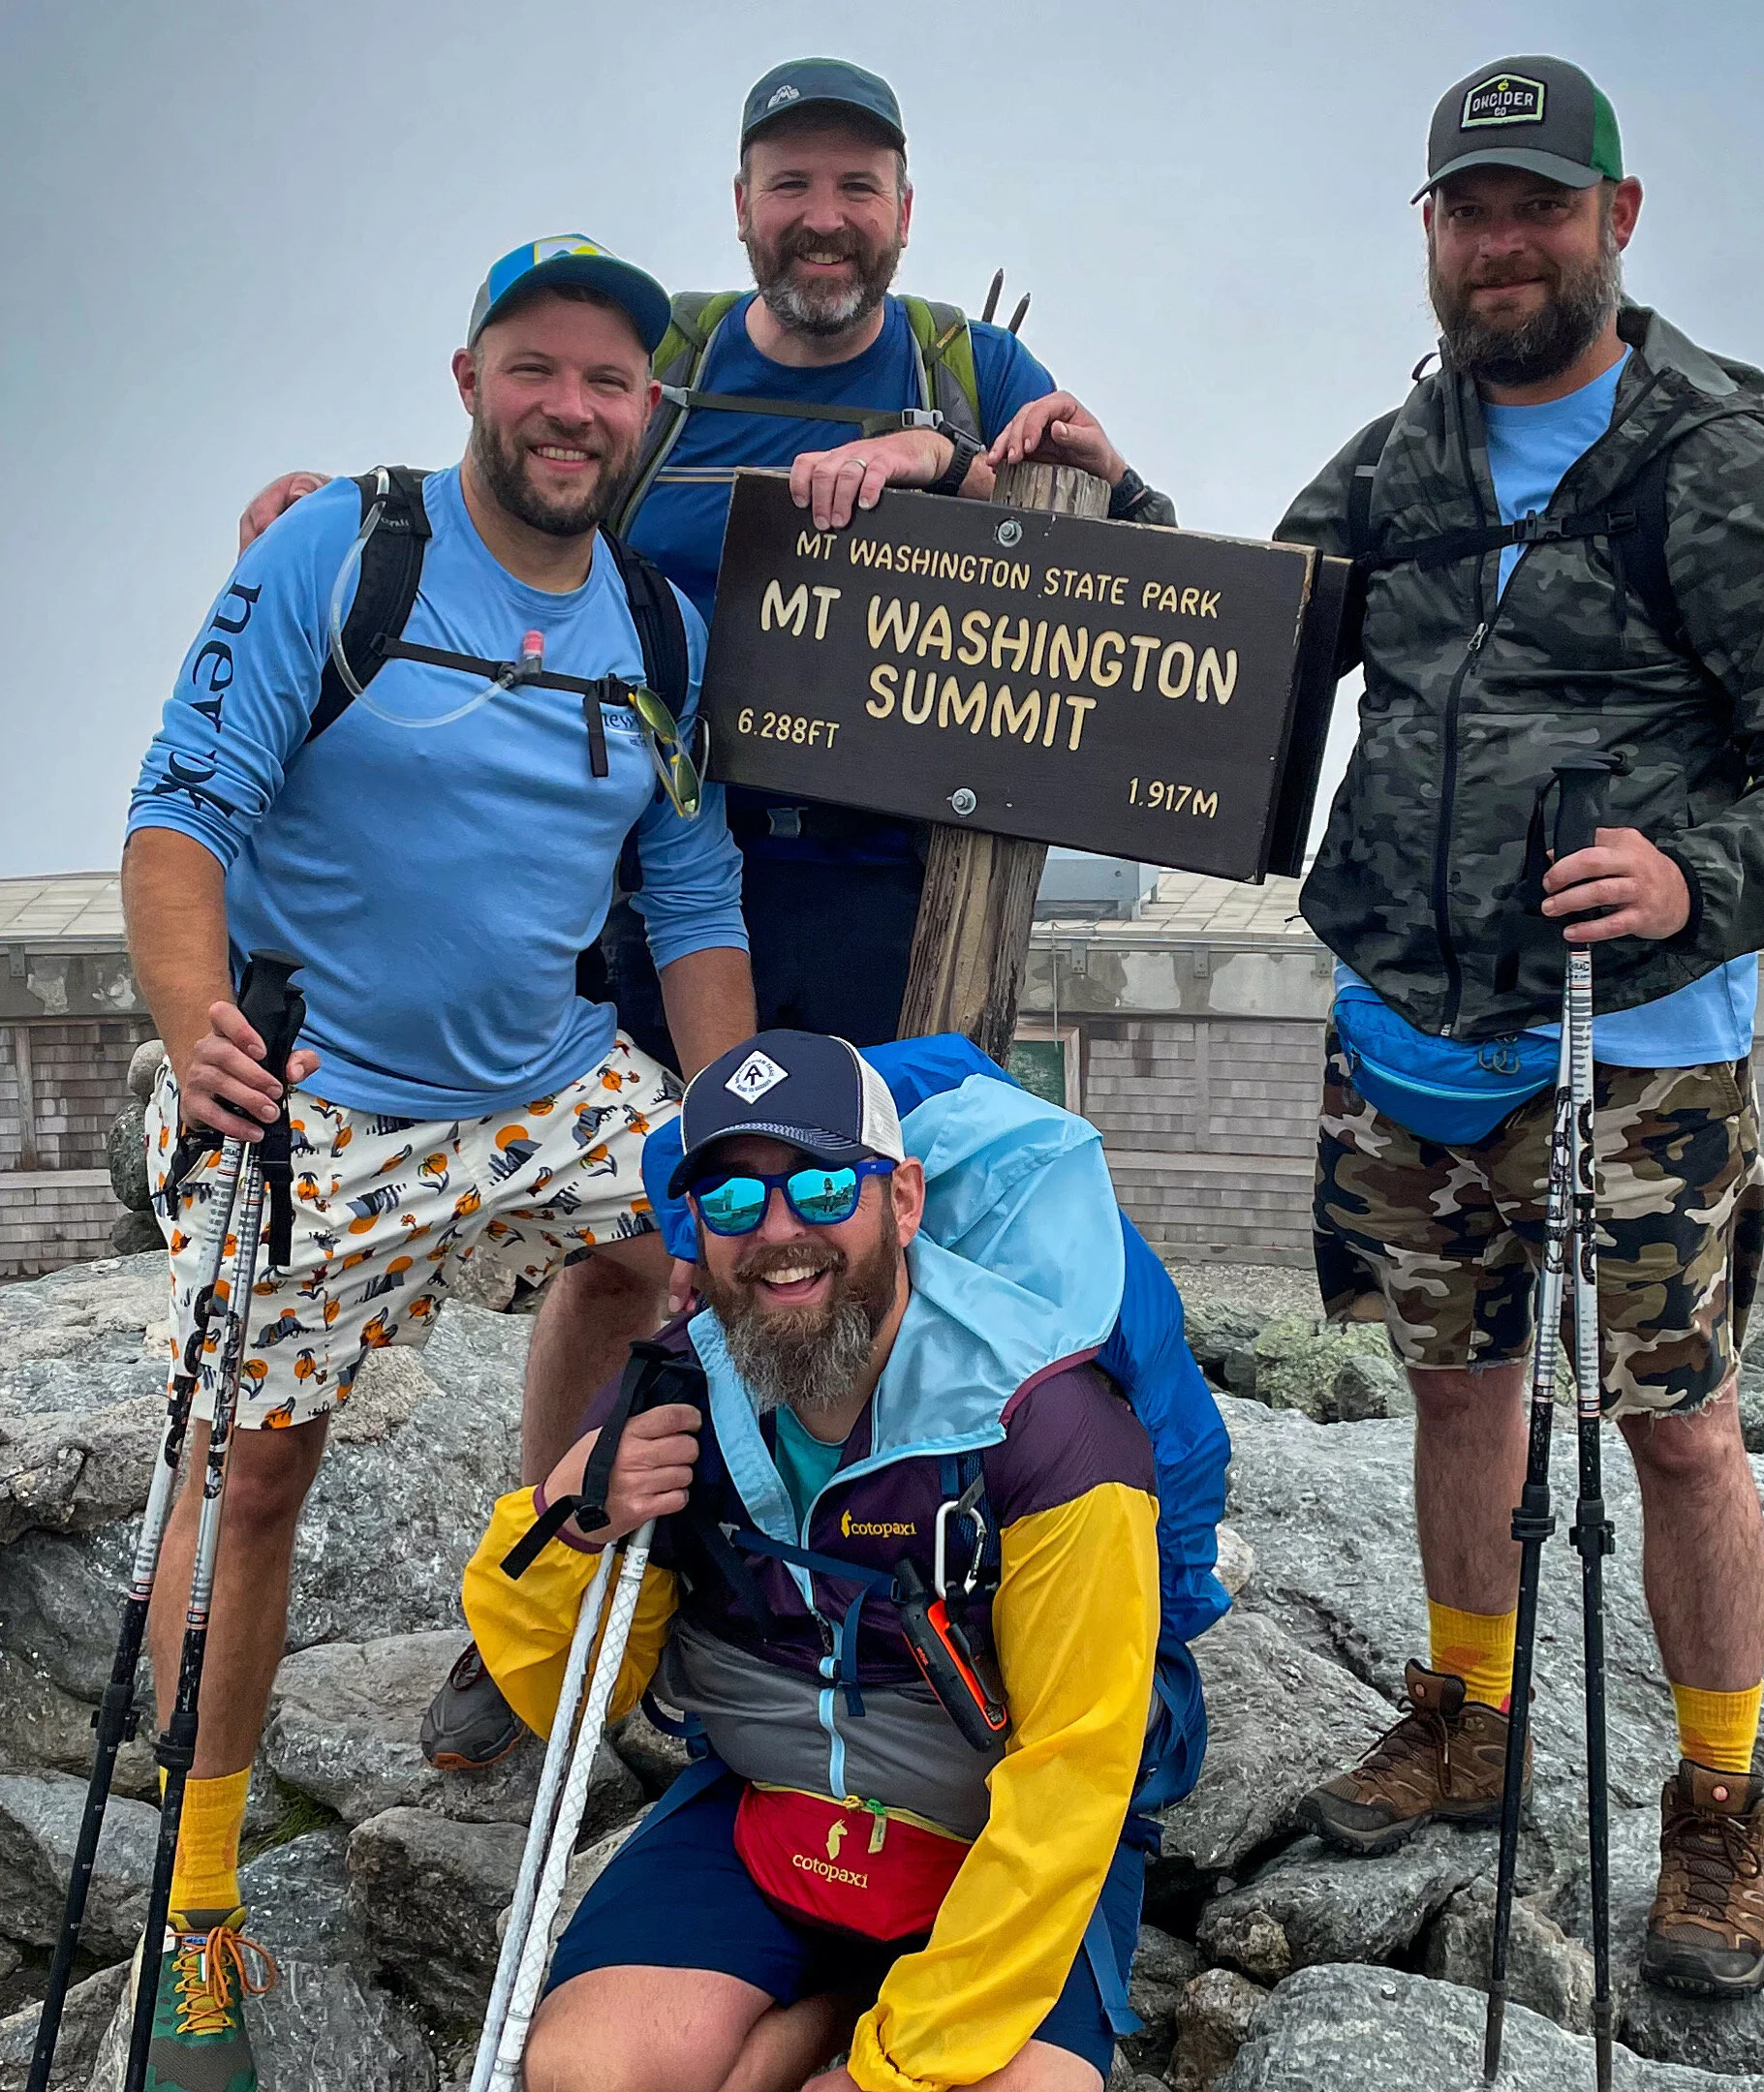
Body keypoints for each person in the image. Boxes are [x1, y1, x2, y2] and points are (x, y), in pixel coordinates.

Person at [1274, 55, 1764, 1998]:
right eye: (1470, 210)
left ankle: (1717, 1808)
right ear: (1432, 232)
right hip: (1405, 1034)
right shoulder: (1396, 463)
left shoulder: (1722, 466)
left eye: (1540, 207)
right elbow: (1240, 638)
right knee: (1457, 1391)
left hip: (1628, 1047)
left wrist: (1692, 876)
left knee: (1680, 1432)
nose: (1504, 244)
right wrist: (1079, 490)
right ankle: (1468, 1717)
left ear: (1616, 220)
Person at [123, 236, 752, 2091]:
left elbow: (692, 893)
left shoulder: (661, 632)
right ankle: (200, 1904)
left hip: (548, 1085)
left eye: (609, 380)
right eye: (536, 367)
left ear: (646, 409)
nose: (571, 406)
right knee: (256, 1481)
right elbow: (180, 809)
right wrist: (193, 1027)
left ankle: (536, 1558)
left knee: (688, 1246)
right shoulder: (339, 552)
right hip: (317, 1101)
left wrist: (733, 1132)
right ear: (471, 377)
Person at [240, 57, 1173, 1058]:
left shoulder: (970, 369)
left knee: (879, 1156)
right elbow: (521, 495)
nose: (824, 217)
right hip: (640, 885)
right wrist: (345, 523)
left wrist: (952, 462)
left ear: (904, 212)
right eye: (790, 184)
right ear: (741, 206)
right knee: (664, 1151)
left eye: (858, 187)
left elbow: (1139, 612)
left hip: (907, 901)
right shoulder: (668, 362)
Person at [464, 1031, 1172, 2092]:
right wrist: (567, 1527)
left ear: (904, 1200)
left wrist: (897, 2068)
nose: (779, 1231)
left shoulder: (1049, 1424)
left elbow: (1076, 1768)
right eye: (733, 1200)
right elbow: (571, 1705)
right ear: (699, 1233)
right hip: (771, 1801)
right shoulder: (676, 1393)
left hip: (994, 1832)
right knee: (587, 2075)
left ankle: (862, 2007)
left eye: (824, 1185)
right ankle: (838, 1992)